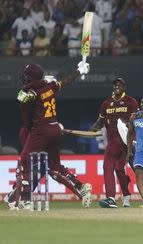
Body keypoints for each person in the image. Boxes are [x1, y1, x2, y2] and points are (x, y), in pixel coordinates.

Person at [16, 61, 91, 209]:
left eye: (27, 76)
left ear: (31, 78)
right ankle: (81, 187)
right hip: (55, 127)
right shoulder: (51, 86)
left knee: (25, 160)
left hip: (40, 130)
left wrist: (26, 96)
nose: (25, 79)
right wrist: (79, 71)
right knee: (54, 167)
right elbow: (65, 82)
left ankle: (24, 200)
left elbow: (26, 121)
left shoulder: (29, 93)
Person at [90, 78, 138, 208]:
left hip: (127, 142)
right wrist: (94, 127)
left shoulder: (131, 102)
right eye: (115, 85)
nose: (116, 86)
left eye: (119, 85)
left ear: (124, 87)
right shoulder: (106, 103)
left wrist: (134, 140)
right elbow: (100, 122)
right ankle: (114, 197)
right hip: (112, 142)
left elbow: (135, 122)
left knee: (136, 170)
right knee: (112, 168)